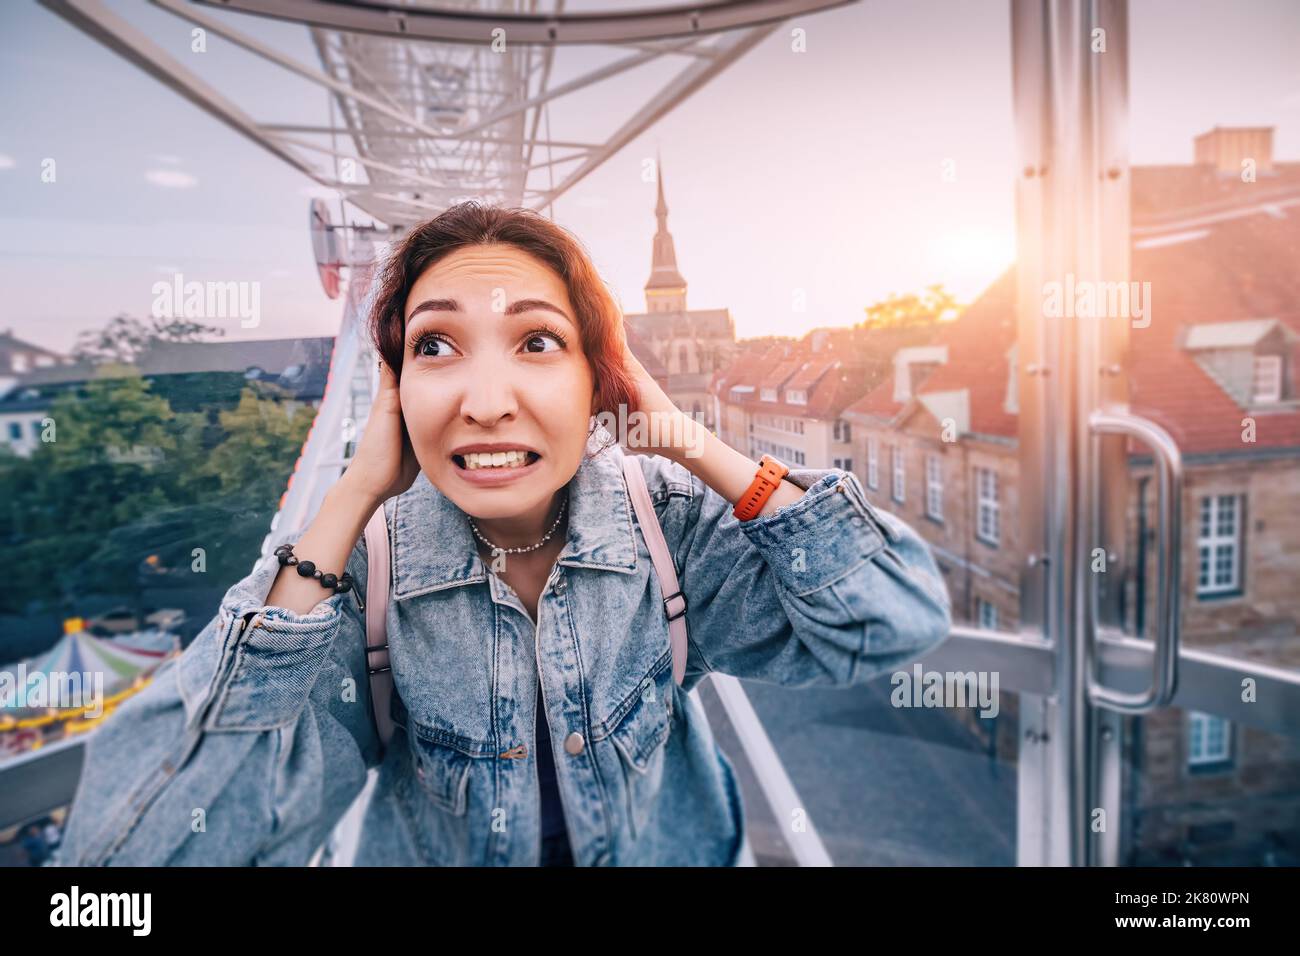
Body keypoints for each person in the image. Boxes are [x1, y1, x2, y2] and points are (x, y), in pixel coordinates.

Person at [53, 201, 951, 867]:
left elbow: (894, 617)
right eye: (435, 348)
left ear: (602, 378)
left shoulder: (667, 530)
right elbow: (136, 860)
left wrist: (692, 443)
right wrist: (355, 490)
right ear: (397, 387)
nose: (485, 404)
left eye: (537, 343)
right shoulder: (363, 576)